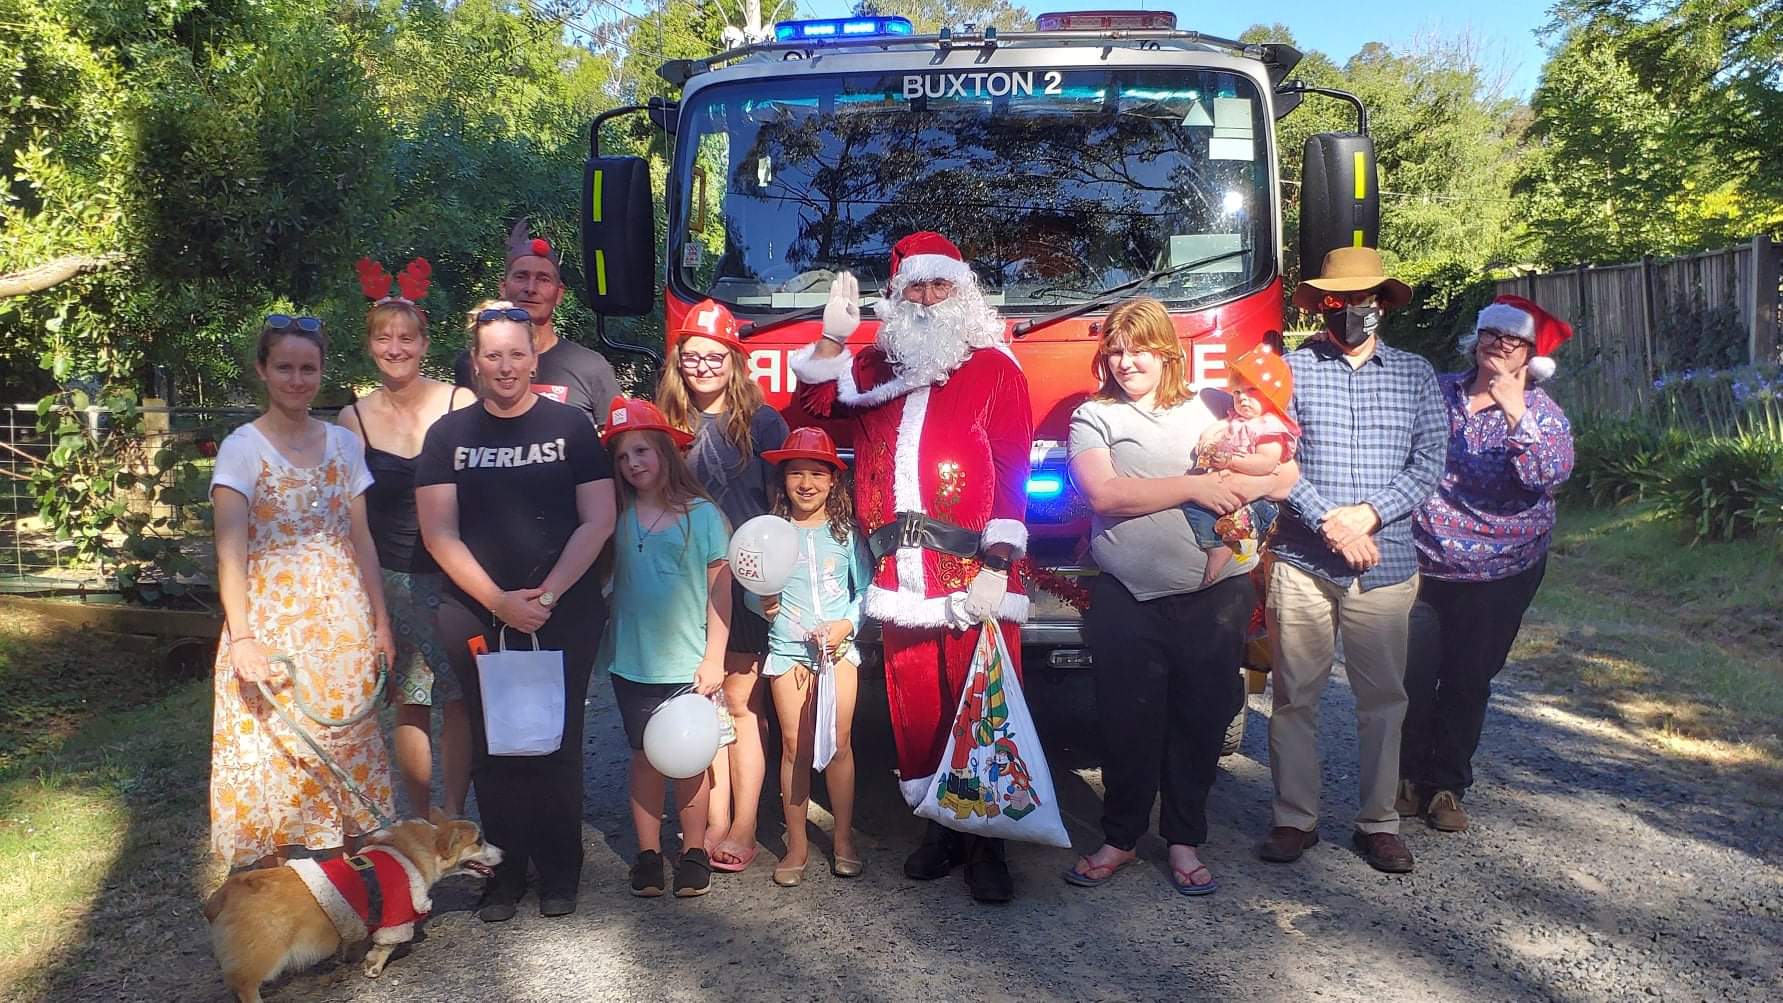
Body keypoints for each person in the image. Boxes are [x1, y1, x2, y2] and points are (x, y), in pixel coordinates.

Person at [790, 231, 1033, 903]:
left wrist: (999, 561)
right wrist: (832, 340)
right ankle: (940, 826)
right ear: (896, 297)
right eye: (914, 287)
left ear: (961, 290)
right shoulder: (873, 369)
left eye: (939, 285)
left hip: (974, 570)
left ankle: (989, 842)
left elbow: (1013, 466)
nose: (926, 299)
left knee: (982, 704)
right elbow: (809, 411)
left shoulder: (995, 368)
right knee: (917, 706)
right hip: (902, 575)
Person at [1062, 298, 1298, 895]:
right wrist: (1195, 487)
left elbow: (1288, 474)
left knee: (1200, 722)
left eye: (1138, 349)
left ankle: (1184, 841)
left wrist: (1245, 484)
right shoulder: (1094, 417)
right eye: (1115, 351)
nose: (1125, 362)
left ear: (1166, 352)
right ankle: (1120, 838)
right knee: (1127, 723)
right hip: (1128, 598)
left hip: (1215, 599)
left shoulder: (1214, 407)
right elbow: (1105, 495)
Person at [416, 301, 616, 921]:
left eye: (516, 354)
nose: (505, 366)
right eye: (492, 355)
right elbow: (438, 533)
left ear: (535, 359)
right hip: (475, 611)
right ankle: (504, 876)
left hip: (564, 609)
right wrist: (498, 602)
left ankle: (560, 873)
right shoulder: (448, 436)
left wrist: (547, 595)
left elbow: (598, 519)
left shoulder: (571, 427)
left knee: (556, 741)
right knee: (494, 744)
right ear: (475, 363)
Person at [1260, 247, 1447, 875]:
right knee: (1294, 697)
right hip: (1302, 560)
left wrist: (1366, 515)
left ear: (1382, 304)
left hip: (1385, 563)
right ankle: (1294, 818)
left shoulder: (1415, 374)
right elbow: (1273, 459)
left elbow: (1429, 463)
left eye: (1363, 299)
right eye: (1338, 300)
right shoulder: (1289, 370)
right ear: (1322, 305)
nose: (1350, 310)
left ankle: (1378, 823)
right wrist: (1330, 523)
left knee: (1383, 699)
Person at [208, 315, 395, 869]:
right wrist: (243, 637)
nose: (297, 380)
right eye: (285, 367)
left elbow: (362, 539)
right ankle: (280, 899)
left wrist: (381, 623)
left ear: (321, 372)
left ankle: (346, 894)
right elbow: (230, 551)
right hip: (272, 631)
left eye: (307, 369)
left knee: (344, 755)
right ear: (263, 370)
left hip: (343, 632)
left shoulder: (344, 444)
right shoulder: (242, 449)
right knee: (279, 759)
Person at [1401, 295, 1575, 832]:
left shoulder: (1543, 413)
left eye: (1513, 339)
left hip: (1502, 570)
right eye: (1492, 334)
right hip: (1424, 561)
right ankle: (1406, 776)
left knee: (1468, 679)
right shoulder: (1438, 392)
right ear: (1476, 339)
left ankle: (1447, 786)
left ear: (1530, 354)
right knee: (1411, 675)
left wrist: (1515, 410)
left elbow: (1549, 474)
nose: (1500, 345)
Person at [656, 298, 790, 874]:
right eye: (692, 357)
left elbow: (781, 507)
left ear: (734, 361)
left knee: (740, 703)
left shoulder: (763, 423)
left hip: (741, 582)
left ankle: (743, 823)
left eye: (715, 357)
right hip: (680, 585)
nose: (702, 367)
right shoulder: (665, 423)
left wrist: (777, 580)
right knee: (701, 700)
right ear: (678, 362)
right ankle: (711, 816)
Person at [340, 261, 475, 817]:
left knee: (460, 697)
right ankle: (420, 818)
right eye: (383, 338)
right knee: (409, 700)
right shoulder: (353, 419)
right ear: (370, 345)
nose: (395, 348)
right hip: (393, 576)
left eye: (406, 338)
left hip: (456, 575)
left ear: (424, 343)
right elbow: (351, 516)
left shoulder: (458, 403)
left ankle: (455, 815)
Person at [596, 396, 731, 899]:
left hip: (688, 664)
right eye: (622, 457)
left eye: (641, 451)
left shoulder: (703, 516)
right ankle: (649, 853)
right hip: (633, 662)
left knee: (690, 760)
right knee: (645, 759)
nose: (633, 464)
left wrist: (714, 657)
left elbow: (720, 591)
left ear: (665, 451)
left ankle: (693, 850)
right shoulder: (615, 515)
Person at [742, 427, 871, 887]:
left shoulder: (846, 533)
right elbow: (750, 589)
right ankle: (795, 844)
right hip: (788, 653)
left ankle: (843, 839)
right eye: (796, 473)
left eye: (817, 473)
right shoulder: (769, 534)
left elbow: (867, 590)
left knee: (838, 743)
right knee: (795, 746)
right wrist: (761, 603)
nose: (807, 483)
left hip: (838, 654)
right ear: (783, 480)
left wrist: (846, 625)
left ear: (833, 480)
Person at [452, 218, 620, 425]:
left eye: (543, 279)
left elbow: (619, 440)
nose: (531, 288)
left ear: (559, 293)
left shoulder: (591, 367)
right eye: (521, 277)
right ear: (503, 287)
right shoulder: (471, 365)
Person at [1183, 344, 1301, 583]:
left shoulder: (1268, 427)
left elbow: (1266, 463)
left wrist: (1231, 461)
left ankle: (1223, 546)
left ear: (1273, 395)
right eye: (1237, 393)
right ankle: (1225, 542)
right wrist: (1209, 437)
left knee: (1229, 516)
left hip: (1256, 501)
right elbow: (1221, 426)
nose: (1242, 398)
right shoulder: (1238, 420)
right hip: (1230, 489)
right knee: (1194, 504)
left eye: (1252, 390)